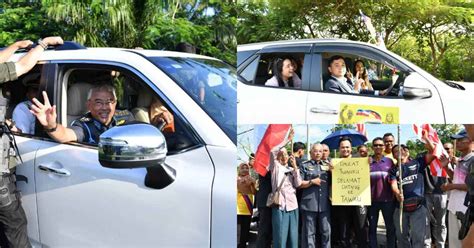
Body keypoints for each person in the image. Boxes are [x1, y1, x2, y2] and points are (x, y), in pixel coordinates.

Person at [0, 36, 63, 248]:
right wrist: (43, 44)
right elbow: (24, 65)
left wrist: (15, 46)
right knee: (14, 223)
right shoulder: (22, 109)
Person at [389, 130, 446, 248]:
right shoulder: (394, 170)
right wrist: (397, 193)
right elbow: (393, 184)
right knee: (401, 237)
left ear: (407, 152)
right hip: (400, 208)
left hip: (418, 207)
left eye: (399, 150)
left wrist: (426, 139)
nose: (397, 153)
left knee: (418, 238)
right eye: (394, 152)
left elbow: (434, 152)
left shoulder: (418, 162)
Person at [30, 84, 136, 144]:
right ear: (89, 105)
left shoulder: (126, 116)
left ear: (115, 103)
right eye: (98, 102)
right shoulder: (84, 125)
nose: (105, 107)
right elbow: (65, 135)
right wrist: (51, 126)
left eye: (109, 102)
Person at [331, 137, 368, 248]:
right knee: (344, 232)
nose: (345, 149)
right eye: (343, 147)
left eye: (347, 147)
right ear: (339, 149)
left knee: (361, 231)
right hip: (342, 203)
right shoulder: (334, 163)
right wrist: (330, 170)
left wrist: (368, 162)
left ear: (351, 148)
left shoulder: (361, 161)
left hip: (359, 201)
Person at [269, 129, 302, 248]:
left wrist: (295, 167)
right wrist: (287, 140)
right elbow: (273, 150)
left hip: (293, 206)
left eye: (286, 154)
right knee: (280, 237)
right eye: (281, 154)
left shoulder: (291, 168)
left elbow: (298, 184)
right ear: (277, 157)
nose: (284, 156)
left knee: (293, 237)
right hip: (280, 206)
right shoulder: (275, 167)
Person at [442, 130, 472, 248]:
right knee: (454, 242)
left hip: (466, 209)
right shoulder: (460, 160)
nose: (457, 143)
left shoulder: (472, 160)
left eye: (460, 140)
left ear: (470, 141)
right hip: (454, 206)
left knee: (465, 241)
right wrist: (446, 168)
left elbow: (471, 186)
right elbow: (456, 179)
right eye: (456, 140)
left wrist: (451, 186)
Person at [298, 144, 331, 248]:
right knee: (309, 233)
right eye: (315, 151)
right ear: (310, 152)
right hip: (309, 204)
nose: (318, 153)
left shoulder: (327, 165)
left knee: (326, 232)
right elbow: (298, 184)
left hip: (324, 204)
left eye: (320, 151)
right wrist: (312, 182)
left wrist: (333, 172)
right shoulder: (304, 165)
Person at [368, 137, 396, 248]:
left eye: (380, 145)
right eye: (375, 145)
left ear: (384, 147)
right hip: (371, 201)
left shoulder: (390, 162)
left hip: (388, 200)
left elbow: (395, 178)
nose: (378, 147)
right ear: (372, 147)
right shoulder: (367, 161)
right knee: (372, 228)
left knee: (390, 228)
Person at [237, 162, 257, 248]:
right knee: (237, 230)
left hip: (248, 208)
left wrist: (252, 184)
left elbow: (254, 192)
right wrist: (244, 183)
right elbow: (241, 188)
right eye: (243, 168)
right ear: (239, 169)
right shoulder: (236, 179)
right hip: (237, 209)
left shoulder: (251, 179)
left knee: (245, 230)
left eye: (247, 168)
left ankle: (243, 245)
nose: (245, 169)